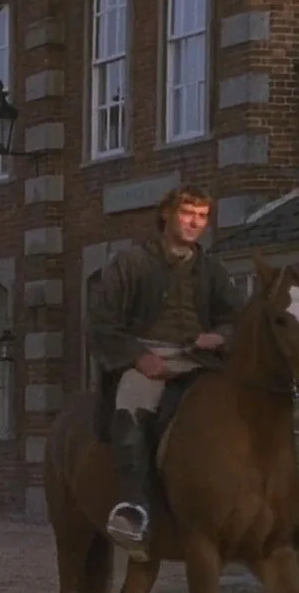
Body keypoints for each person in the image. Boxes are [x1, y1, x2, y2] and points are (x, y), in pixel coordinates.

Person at [87, 184, 241, 559]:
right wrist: (138, 358)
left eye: (202, 216)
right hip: (148, 361)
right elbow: (102, 323)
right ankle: (134, 509)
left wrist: (219, 336)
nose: (195, 223)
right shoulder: (131, 263)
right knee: (130, 408)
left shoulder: (213, 269)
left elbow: (235, 318)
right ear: (166, 215)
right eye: (188, 213)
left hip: (201, 362)